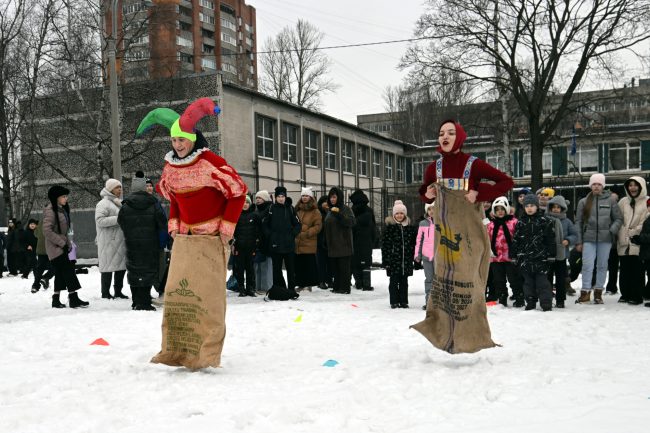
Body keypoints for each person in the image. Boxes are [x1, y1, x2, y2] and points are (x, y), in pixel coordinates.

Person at [138, 98, 247, 369]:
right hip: (184, 241)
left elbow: (237, 192)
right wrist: (174, 225)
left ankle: (206, 354)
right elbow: (174, 198)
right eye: (173, 140)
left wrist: (226, 228)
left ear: (192, 138)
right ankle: (176, 350)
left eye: (181, 140)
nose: (177, 145)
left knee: (207, 300)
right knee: (178, 297)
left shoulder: (210, 161)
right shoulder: (171, 167)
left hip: (210, 240)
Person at [118, 172, 168, 311]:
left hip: (132, 243)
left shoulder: (126, 205)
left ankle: (136, 300)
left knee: (134, 269)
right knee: (148, 269)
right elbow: (162, 223)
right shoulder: (153, 203)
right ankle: (145, 301)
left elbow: (121, 222)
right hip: (150, 243)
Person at [575, 173, 623, 304]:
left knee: (602, 266)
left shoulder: (611, 201)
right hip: (588, 239)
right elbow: (578, 222)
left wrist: (611, 230)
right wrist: (579, 241)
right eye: (594, 184)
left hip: (605, 240)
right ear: (590, 186)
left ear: (603, 186)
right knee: (587, 265)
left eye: (599, 184)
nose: (596, 187)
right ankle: (585, 292)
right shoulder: (583, 202)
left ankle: (598, 293)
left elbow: (618, 219)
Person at [43, 185, 89, 308]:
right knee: (69, 272)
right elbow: (47, 231)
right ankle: (73, 298)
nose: (66, 198)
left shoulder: (60, 210)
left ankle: (56, 299)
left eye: (66, 196)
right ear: (56, 198)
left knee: (60, 273)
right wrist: (62, 243)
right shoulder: (51, 211)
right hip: (55, 248)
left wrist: (67, 244)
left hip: (60, 246)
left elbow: (64, 231)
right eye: (63, 196)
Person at [512, 194, 556, 311]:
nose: (529, 208)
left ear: (537, 206)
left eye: (532, 205)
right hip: (525, 258)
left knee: (542, 283)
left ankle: (546, 303)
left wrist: (551, 254)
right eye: (527, 206)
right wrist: (514, 255)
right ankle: (530, 301)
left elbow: (550, 239)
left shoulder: (544, 221)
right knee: (528, 283)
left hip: (541, 258)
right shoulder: (521, 223)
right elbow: (516, 240)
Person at [615, 176, 648, 305]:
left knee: (638, 270)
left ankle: (637, 295)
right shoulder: (623, 201)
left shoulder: (647, 201)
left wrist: (634, 232)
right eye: (630, 185)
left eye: (635, 185)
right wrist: (623, 232)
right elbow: (618, 219)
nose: (632, 188)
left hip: (638, 241)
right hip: (623, 241)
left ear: (641, 186)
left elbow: (647, 220)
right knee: (624, 269)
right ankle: (625, 294)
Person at [487, 197, 524, 307]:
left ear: (507, 209)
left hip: (510, 257)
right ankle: (502, 298)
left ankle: (519, 297)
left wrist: (517, 252)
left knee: (514, 279)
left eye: (502, 209)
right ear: (494, 211)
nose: (500, 212)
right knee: (499, 280)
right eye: (497, 209)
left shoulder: (513, 222)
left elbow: (518, 238)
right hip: (496, 258)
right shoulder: (491, 224)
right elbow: (486, 237)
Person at [263, 186, 301, 294]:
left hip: (289, 245)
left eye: (283, 196)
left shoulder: (290, 208)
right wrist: (270, 235)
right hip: (276, 245)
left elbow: (298, 224)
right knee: (276, 269)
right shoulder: (271, 209)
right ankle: (279, 288)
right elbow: (264, 224)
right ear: (275, 197)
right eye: (279, 196)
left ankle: (291, 289)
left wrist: (292, 234)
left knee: (290, 269)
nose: (281, 198)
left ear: (285, 197)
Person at [95, 178, 128, 300]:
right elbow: (100, 221)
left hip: (120, 240)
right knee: (107, 268)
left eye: (120, 187)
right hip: (108, 241)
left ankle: (118, 291)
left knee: (120, 266)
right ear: (110, 189)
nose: (120, 190)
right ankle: (105, 293)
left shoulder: (118, 202)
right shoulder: (103, 204)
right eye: (117, 187)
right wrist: (119, 219)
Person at [382, 200, 417, 308]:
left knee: (404, 282)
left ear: (405, 214)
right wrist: (386, 260)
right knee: (393, 282)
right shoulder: (390, 228)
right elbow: (385, 246)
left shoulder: (409, 228)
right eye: (397, 213)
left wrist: (413, 257)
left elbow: (413, 243)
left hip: (405, 260)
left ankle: (403, 301)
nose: (399, 215)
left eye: (401, 213)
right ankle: (394, 301)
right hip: (393, 261)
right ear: (393, 215)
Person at [546, 195, 578, 308]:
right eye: (553, 207)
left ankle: (560, 300)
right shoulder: (545, 219)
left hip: (561, 255)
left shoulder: (567, 221)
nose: (555, 209)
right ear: (549, 208)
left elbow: (575, 235)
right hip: (547, 254)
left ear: (562, 209)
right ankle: (547, 298)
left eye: (558, 207)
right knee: (547, 277)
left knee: (560, 278)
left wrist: (568, 240)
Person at [323, 187, 355, 294]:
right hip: (332, 244)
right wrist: (325, 239)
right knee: (335, 268)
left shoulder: (345, 209)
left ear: (339, 197)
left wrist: (339, 216)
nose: (332, 199)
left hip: (343, 244)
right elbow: (327, 225)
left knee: (343, 268)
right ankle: (337, 286)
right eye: (330, 197)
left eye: (334, 197)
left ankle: (345, 288)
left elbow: (351, 222)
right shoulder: (330, 210)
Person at [294, 187, 322, 292]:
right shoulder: (298, 209)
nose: (304, 198)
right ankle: (300, 284)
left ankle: (308, 284)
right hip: (297, 241)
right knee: (299, 264)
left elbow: (318, 226)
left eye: (306, 196)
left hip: (308, 241)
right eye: (303, 196)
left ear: (310, 197)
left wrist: (307, 233)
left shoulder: (315, 211)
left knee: (308, 264)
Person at [233, 195, 261, 297]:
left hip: (251, 246)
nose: (245, 205)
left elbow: (259, 230)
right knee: (240, 268)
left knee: (250, 268)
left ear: (250, 204)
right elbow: (233, 231)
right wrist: (233, 243)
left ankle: (250, 288)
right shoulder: (236, 215)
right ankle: (241, 288)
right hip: (239, 247)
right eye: (243, 202)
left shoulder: (255, 215)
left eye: (247, 202)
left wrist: (257, 242)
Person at [350, 189, 376, 291]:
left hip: (355, 240)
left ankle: (358, 282)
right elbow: (373, 227)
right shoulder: (369, 211)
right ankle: (367, 283)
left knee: (356, 262)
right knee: (366, 262)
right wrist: (373, 240)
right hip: (367, 240)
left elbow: (351, 226)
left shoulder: (352, 210)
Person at [415, 202, 436, 310]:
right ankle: (429, 302)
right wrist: (417, 254)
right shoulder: (423, 223)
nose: (432, 211)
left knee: (439, 280)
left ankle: (439, 303)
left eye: (434, 208)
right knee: (429, 279)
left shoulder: (442, 223)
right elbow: (419, 240)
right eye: (429, 209)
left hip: (439, 258)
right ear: (427, 211)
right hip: (426, 256)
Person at [630, 198, 650, 307]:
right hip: (646, 254)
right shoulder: (648, 219)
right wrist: (637, 239)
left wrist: (640, 238)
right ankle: (643, 294)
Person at [254, 190, 273, 294]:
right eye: (257, 198)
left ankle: (267, 287)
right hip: (258, 241)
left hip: (267, 241)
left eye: (260, 198)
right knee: (258, 265)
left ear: (265, 199)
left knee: (267, 265)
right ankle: (258, 286)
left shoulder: (270, 210)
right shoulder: (256, 211)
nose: (257, 200)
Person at [31, 219, 54, 293]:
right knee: (57, 266)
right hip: (51, 248)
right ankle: (46, 278)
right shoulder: (54, 220)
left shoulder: (41, 221)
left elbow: (36, 234)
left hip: (41, 248)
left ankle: (35, 286)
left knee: (40, 269)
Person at [316, 195, 332, 290]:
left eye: (327, 201)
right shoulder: (318, 213)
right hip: (320, 240)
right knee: (321, 262)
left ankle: (329, 280)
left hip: (330, 241)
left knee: (330, 262)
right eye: (324, 201)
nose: (326, 203)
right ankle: (321, 281)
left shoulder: (332, 212)